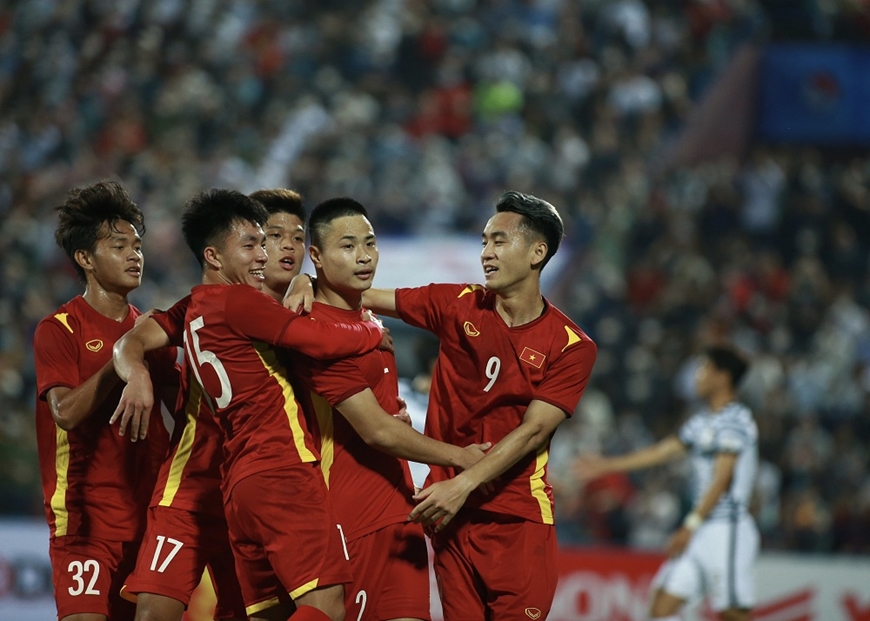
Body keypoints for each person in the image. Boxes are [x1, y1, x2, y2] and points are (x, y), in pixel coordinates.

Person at [289, 191, 597, 619]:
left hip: (515, 518)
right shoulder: (459, 304)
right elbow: (357, 294)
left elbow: (533, 432)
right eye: (484, 242)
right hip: (449, 518)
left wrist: (461, 482)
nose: (486, 253)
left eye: (500, 242)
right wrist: (305, 280)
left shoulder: (571, 346)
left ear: (537, 252)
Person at [115, 188, 386, 621]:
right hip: (235, 475)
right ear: (216, 255)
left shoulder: (226, 306)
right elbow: (133, 341)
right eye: (262, 239)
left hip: (238, 481)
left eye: (291, 238)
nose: (274, 250)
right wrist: (137, 373)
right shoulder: (239, 303)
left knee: (256, 613)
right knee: (324, 603)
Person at [289, 197, 490, 621]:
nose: (364, 256)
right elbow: (376, 431)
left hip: (400, 510)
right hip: (345, 518)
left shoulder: (368, 320)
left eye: (370, 243)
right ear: (317, 257)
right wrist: (460, 458)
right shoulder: (313, 331)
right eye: (347, 246)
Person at [33, 181, 177, 621]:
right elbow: (66, 413)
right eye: (119, 246)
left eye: (137, 245)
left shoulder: (152, 332)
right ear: (85, 259)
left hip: (149, 521)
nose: (135, 255)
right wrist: (123, 362)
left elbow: (192, 410)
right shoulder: (59, 329)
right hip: (84, 522)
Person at [575, 345, 758, 621]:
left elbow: (723, 479)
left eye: (703, 368)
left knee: (734, 614)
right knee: (661, 608)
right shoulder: (702, 422)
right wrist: (607, 465)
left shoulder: (736, 420)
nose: (697, 376)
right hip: (701, 528)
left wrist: (690, 525)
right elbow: (661, 452)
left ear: (722, 377)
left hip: (727, 527)